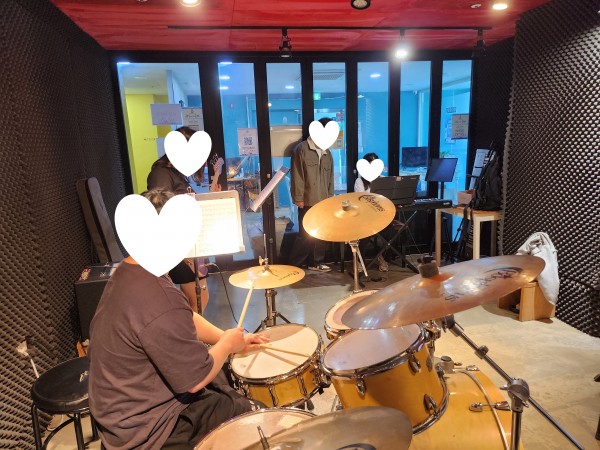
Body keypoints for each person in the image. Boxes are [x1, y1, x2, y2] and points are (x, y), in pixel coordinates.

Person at [88, 188, 268, 450]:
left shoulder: (128, 270)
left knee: (221, 379)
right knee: (250, 414)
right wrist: (228, 345)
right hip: (147, 430)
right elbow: (196, 380)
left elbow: (184, 317)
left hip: (119, 414)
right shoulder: (159, 296)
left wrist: (225, 337)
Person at [147, 126, 215, 313]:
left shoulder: (176, 173)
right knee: (197, 302)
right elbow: (160, 211)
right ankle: (190, 332)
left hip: (187, 245)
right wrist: (182, 251)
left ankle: (191, 331)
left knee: (199, 301)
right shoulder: (161, 174)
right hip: (178, 248)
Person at [288, 117, 335, 272]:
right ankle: (295, 265)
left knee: (321, 232)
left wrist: (330, 197)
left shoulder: (327, 152)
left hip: (323, 200)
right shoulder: (302, 149)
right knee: (304, 234)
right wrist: (298, 198)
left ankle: (316, 262)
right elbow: (297, 175)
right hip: (307, 199)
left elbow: (330, 178)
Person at [354, 152, 389, 272]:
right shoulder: (359, 181)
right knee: (365, 234)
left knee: (388, 231)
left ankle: (381, 257)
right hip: (365, 216)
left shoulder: (384, 179)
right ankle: (360, 261)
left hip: (381, 215)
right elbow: (361, 199)